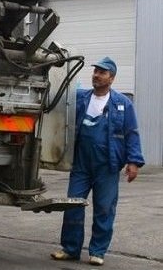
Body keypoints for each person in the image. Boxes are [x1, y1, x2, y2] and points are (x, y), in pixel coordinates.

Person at [51, 56, 144, 266]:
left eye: (102, 72)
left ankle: (98, 251)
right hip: (81, 164)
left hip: (108, 165)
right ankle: (70, 248)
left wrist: (134, 162)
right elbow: (59, 103)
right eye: (95, 71)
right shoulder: (80, 98)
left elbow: (131, 133)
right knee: (73, 205)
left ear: (111, 78)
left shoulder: (123, 104)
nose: (96, 75)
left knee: (104, 208)